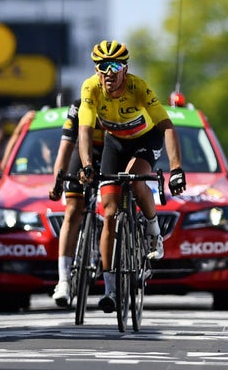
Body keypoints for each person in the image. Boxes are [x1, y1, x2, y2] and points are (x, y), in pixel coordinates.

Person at [77, 40, 187, 313]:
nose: (109, 72)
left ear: (125, 68)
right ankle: (111, 289)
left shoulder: (138, 87)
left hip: (144, 140)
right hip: (115, 142)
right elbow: (85, 130)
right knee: (110, 213)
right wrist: (87, 164)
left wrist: (176, 168)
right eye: (103, 66)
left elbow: (167, 126)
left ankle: (153, 230)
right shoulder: (90, 87)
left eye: (115, 66)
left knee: (134, 180)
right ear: (96, 68)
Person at [48, 99, 104, 307]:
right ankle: (63, 280)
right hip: (83, 152)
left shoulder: (120, 101)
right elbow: (66, 146)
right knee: (72, 210)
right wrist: (57, 182)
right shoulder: (79, 106)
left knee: (114, 203)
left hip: (113, 151)